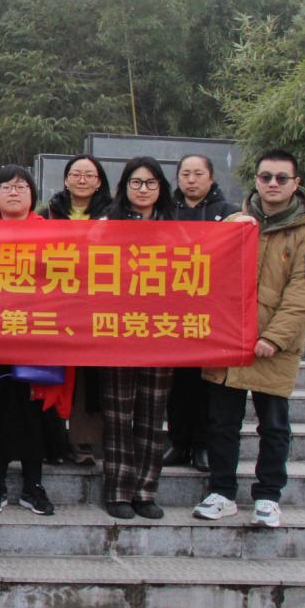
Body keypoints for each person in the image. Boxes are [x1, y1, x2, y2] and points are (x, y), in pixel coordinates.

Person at [194, 149, 305, 529]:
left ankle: (268, 495)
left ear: (295, 184)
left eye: (281, 178)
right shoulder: (236, 223)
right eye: (266, 177)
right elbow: (202, 267)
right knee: (222, 422)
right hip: (228, 341)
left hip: (274, 347)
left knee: (273, 426)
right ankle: (221, 492)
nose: (272, 184)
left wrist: (274, 336)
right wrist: (225, 231)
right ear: (255, 180)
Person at [0, 166, 68, 516]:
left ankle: (33, 485)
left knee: (34, 411)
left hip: (38, 336)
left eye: (21, 186)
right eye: (5, 187)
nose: (13, 192)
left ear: (33, 195)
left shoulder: (52, 233)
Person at [101, 156, 176, 520]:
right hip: (118, 330)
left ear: (160, 188)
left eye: (150, 183)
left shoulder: (177, 228)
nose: (143, 189)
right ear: (124, 187)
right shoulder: (107, 224)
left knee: (152, 413)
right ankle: (118, 490)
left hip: (162, 330)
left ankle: (145, 491)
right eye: (136, 182)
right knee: (118, 413)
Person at [38, 154, 111, 468]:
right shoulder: (48, 213)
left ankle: (84, 443)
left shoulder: (114, 215)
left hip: (98, 303)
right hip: (56, 303)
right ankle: (52, 441)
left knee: (87, 377)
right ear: (66, 179)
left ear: (98, 181)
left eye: (89, 175)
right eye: (76, 174)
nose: (82, 180)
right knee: (53, 373)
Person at [165, 154, 233, 471]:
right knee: (177, 384)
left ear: (211, 177)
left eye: (198, 174)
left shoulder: (229, 214)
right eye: (185, 174)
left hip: (211, 313)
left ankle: (202, 445)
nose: (191, 180)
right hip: (172, 311)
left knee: (206, 384)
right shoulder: (166, 212)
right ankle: (178, 443)